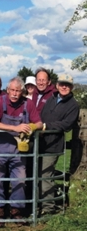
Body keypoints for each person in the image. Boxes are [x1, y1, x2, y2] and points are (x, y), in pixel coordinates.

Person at [0, 77, 42, 227]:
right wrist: (16, 128)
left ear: (22, 91)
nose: (14, 93)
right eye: (12, 90)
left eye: (18, 91)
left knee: (20, 179)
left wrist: (31, 127)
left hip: (18, 149)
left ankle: (16, 211)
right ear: (7, 90)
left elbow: (39, 122)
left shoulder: (28, 103)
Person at [39, 73, 80, 215]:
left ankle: (48, 208)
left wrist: (45, 126)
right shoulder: (50, 99)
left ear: (71, 87)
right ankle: (38, 204)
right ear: (56, 85)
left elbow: (66, 125)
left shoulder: (73, 105)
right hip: (40, 142)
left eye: (67, 85)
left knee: (46, 176)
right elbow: (41, 116)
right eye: (62, 83)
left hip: (53, 145)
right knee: (36, 175)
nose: (64, 87)